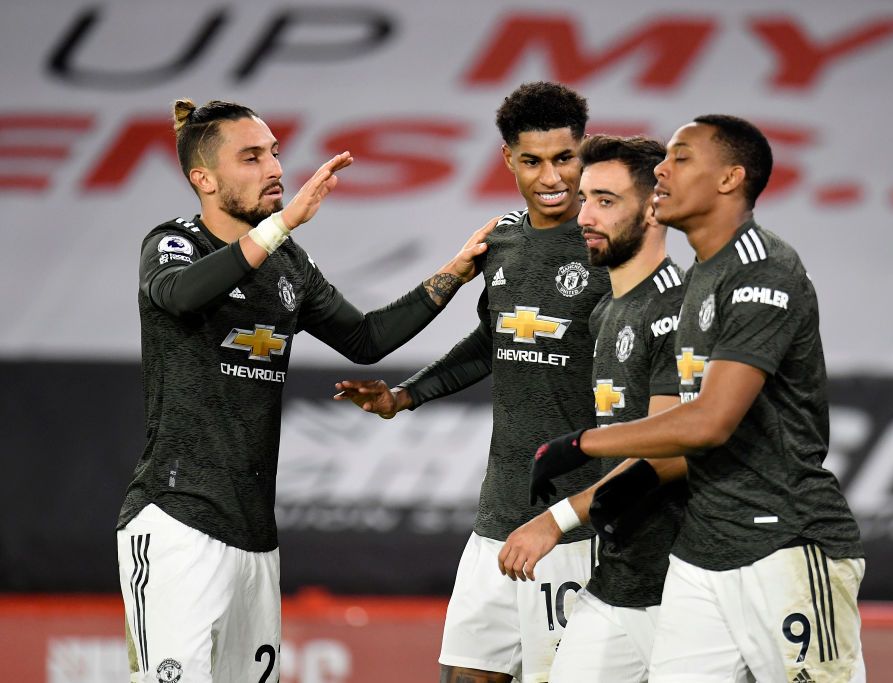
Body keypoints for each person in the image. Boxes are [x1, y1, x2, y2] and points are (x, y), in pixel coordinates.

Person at [115, 98, 492, 683]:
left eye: (274, 153)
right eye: (252, 157)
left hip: (255, 536)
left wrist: (452, 274)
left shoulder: (288, 263)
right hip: (175, 521)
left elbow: (366, 339)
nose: (275, 169)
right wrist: (283, 223)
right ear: (204, 179)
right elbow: (183, 295)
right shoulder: (173, 242)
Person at [529, 115, 866, 682]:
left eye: (682, 158)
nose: (662, 168)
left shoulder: (766, 272)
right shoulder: (704, 276)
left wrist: (581, 444)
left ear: (731, 178)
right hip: (702, 552)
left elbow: (709, 423)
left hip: (784, 542)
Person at [334, 82, 610, 683]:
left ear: (584, 152)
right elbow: (495, 340)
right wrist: (405, 395)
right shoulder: (502, 241)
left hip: (576, 523)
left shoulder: (610, 247)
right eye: (533, 160)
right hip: (500, 514)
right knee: (466, 676)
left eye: (564, 158)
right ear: (508, 158)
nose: (551, 176)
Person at [496, 134, 689, 683]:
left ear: (655, 206)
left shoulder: (679, 309)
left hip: (686, 587)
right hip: (620, 579)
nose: (585, 215)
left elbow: (672, 455)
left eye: (606, 200)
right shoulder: (607, 311)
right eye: (585, 199)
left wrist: (557, 520)